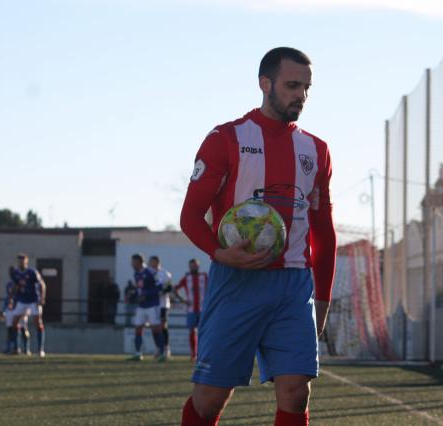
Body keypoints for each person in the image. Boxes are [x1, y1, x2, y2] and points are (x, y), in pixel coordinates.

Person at [178, 47, 336, 426]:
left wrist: (323, 299)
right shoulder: (225, 139)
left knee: (297, 393)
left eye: (307, 88)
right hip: (237, 282)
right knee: (209, 400)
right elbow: (190, 217)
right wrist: (220, 253)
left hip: (293, 285)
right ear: (265, 84)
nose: (301, 95)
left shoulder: (316, 150)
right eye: (292, 85)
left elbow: (324, 233)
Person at [127, 253, 165, 362]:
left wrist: (146, 295)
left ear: (139, 261)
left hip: (153, 305)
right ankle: (138, 354)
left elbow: (160, 286)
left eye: (133, 262)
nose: (132, 264)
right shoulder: (136, 274)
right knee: (138, 328)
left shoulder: (150, 272)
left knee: (156, 329)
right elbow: (140, 289)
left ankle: (161, 353)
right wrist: (133, 296)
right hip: (141, 306)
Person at [11, 253, 47, 357]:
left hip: (33, 300)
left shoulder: (32, 272)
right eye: (19, 260)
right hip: (22, 300)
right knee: (15, 322)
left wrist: (42, 298)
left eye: (22, 260)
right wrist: (11, 298)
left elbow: (42, 284)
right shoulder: (16, 272)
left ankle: (41, 349)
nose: (20, 262)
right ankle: (16, 348)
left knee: (38, 322)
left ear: (26, 261)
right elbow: (15, 286)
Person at [173, 259, 208, 362]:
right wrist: (183, 300)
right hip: (191, 310)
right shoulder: (187, 278)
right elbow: (175, 289)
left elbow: (213, 288)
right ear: (189, 267)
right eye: (192, 266)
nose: (194, 267)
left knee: (204, 332)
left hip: (204, 310)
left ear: (198, 266)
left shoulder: (204, 276)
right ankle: (193, 354)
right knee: (192, 331)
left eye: (195, 266)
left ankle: (203, 354)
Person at [148, 255, 173, 358]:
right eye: (151, 262)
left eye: (154, 262)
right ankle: (158, 348)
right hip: (152, 304)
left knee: (163, 326)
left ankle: (166, 348)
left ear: (158, 262)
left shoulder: (165, 273)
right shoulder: (148, 273)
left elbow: (170, 287)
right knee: (154, 327)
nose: (153, 264)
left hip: (163, 304)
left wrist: (161, 292)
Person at [1, 266, 29, 354]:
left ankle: (26, 348)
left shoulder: (23, 283)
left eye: (13, 272)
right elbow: (8, 297)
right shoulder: (9, 284)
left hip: (21, 307)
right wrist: (4, 309)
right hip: (11, 309)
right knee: (11, 329)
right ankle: (13, 347)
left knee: (23, 329)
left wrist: (26, 308)